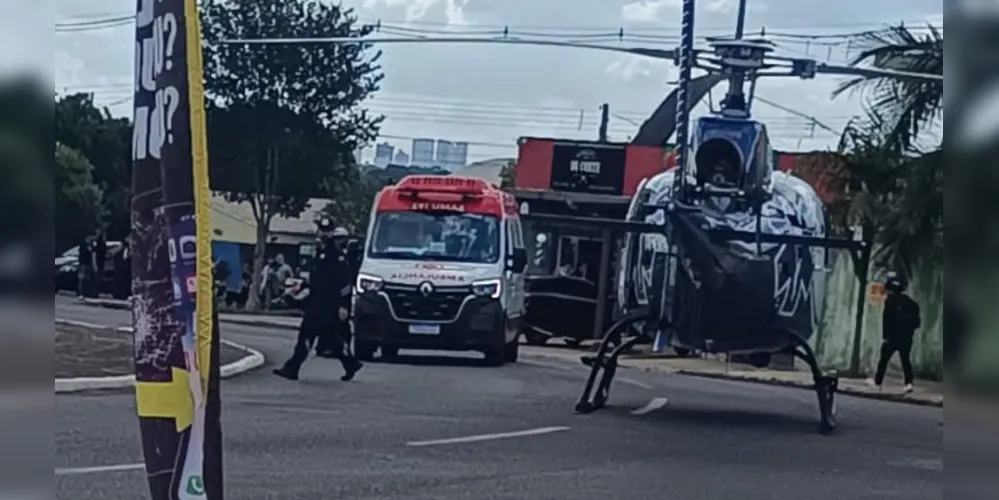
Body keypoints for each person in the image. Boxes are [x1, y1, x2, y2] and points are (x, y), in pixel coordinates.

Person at [273, 219, 362, 381]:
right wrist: (300, 291)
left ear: (332, 233)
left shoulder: (336, 255)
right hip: (316, 302)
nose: (324, 234)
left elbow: (345, 283)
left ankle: (292, 368)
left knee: (310, 335)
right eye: (322, 230)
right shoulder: (320, 253)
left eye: (327, 231)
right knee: (330, 339)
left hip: (329, 304)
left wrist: (343, 305)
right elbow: (316, 280)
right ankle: (350, 363)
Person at [868, 271, 921, 393]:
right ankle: (909, 383)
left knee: (884, 360)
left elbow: (887, 319)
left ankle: (878, 382)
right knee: (905, 360)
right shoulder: (911, 303)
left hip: (892, 337)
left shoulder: (890, 301)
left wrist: (886, 336)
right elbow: (917, 323)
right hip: (906, 338)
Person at [315, 226, 356, 357]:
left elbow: (348, 276)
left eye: (342, 238)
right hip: (329, 295)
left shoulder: (349, 254)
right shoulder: (329, 252)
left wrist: (345, 301)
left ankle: (344, 350)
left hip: (344, 294)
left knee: (342, 323)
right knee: (326, 322)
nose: (340, 241)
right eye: (337, 238)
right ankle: (324, 347)